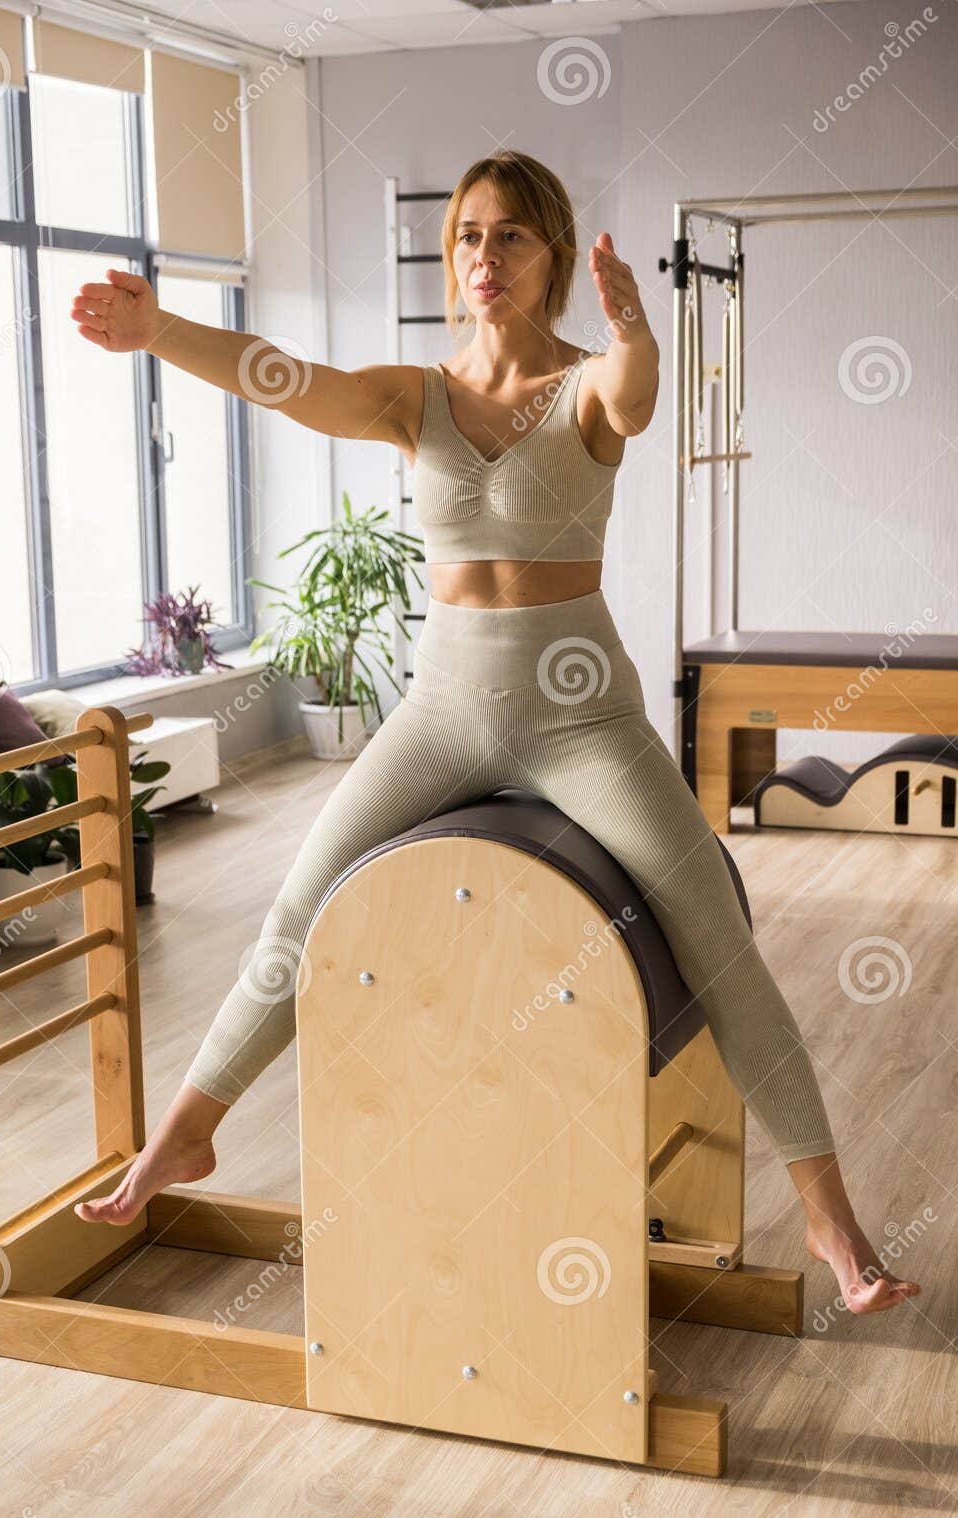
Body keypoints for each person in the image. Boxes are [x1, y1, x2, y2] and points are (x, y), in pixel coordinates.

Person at [68, 148, 919, 1317]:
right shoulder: (412, 397)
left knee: (718, 936)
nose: (481, 255)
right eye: (467, 234)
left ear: (553, 254)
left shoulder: (584, 389)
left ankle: (831, 1220)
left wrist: (637, 329)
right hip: (442, 712)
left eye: (508, 235)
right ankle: (186, 1131)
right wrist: (158, 329)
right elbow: (287, 378)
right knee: (301, 901)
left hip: (585, 718)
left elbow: (634, 393)